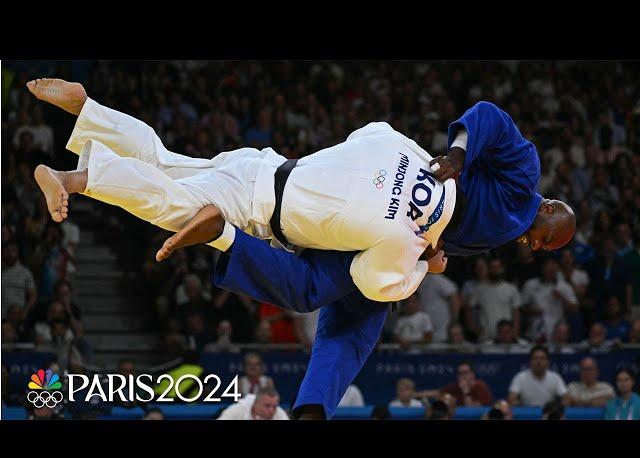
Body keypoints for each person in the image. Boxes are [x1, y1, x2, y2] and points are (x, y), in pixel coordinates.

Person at [30, 80, 577, 420]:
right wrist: (456, 159)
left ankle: (91, 112)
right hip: (284, 217)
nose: (537, 244)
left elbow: (376, 137)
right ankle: (81, 181)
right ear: (550, 209)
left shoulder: (389, 143)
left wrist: (432, 233)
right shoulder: (519, 185)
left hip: (274, 166)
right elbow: (488, 118)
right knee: (300, 283)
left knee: (172, 164)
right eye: (547, 238)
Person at [417, 361, 493, 406]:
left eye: (465, 373)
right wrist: (415, 394)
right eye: (460, 373)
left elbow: (471, 410)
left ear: (472, 374)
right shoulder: (456, 386)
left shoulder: (480, 386)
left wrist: (466, 391)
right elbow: (437, 393)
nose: (463, 376)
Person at [217, 387, 289, 420]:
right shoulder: (237, 409)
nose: (271, 410)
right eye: (267, 406)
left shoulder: (279, 413)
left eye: (274, 406)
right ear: (256, 403)